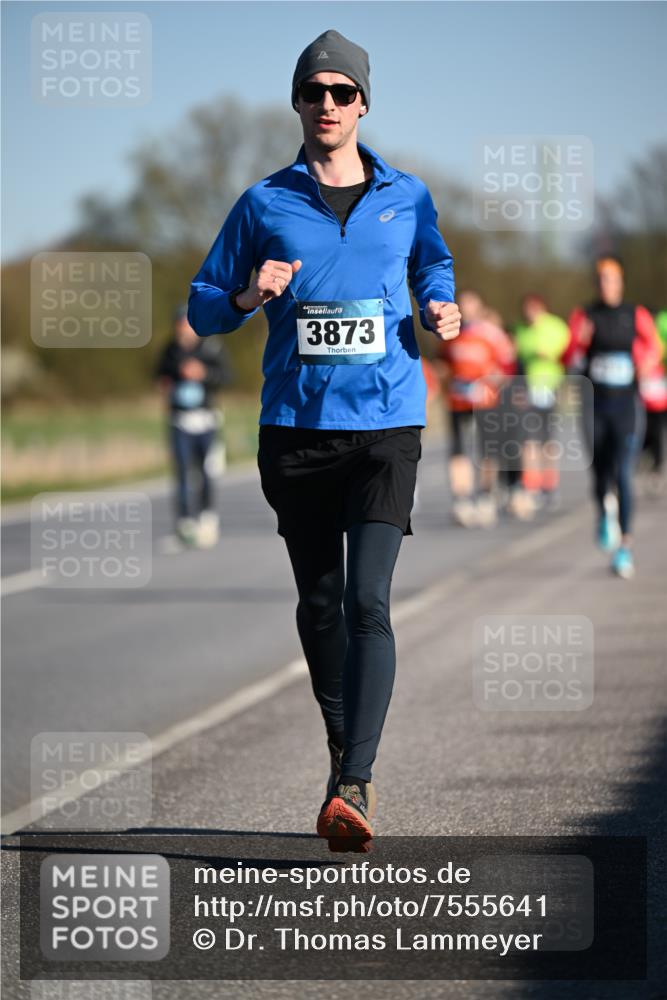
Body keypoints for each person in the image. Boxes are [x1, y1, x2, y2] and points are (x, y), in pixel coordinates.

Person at [188, 29, 460, 851]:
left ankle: (354, 783)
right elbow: (202, 308)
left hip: (385, 425)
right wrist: (244, 292)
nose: (329, 105)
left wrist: (440, 304)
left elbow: (433, 265)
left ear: (364, 104)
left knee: (367, 601)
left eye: (344, 93)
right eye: (316, 92)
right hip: (297, 433)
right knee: (318, 603)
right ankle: (344, 752)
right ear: (298, 104)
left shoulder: (406, 195)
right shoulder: (263, 203)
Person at [565, 256, 662, 579]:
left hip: (626, 406)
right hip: (594, 405)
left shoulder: (635, 315)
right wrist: (582, 340)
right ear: (597, 283)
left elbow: (654, 347)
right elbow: (569, 358)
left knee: (623, 472)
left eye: (612, 279)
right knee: (599, 473)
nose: (607, 285)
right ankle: (604, 511)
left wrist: (645, 362)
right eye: (602, 279)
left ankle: (625, 547)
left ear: (620, 282)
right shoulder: (585, 315)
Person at [434, 289, 514, 527]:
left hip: (485, 400)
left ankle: (485, 496)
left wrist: (493, 380)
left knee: (486, 450)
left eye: (471, 304)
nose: (467, 308)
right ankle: (461, 500)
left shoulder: (492, 334)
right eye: (463, 304)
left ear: (480, 307)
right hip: (458, 399)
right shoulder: (451, 333)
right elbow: (443, 363)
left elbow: (508, 365)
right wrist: (445, 378)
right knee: (458, 449)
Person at [156, 305, 233, 547]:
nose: (183, 329)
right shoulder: (169, 350)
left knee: (206, 472)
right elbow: (160, 376)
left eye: (186, 324)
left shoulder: (211, 347)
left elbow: (227, 377)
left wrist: (203, 373)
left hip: (207, 419)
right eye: (179, 324)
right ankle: (185, 522)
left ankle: (207, 517)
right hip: (179, 420)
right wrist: (167, 383)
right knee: (181, 471)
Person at [513, 294, 570, 512]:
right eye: (526, 310)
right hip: (527, 388)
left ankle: (549, 485)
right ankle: (531, 484)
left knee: (547, 439)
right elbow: (517, 357)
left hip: (549, 386)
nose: (530, 314)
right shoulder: (520, 328)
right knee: (528, 439)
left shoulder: (555, 326)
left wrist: (544, 354)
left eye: (533, 309)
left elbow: (563, 352)